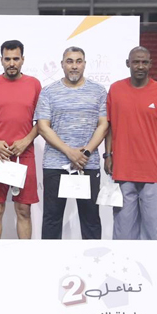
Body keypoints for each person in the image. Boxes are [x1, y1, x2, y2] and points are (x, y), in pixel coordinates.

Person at [104, 46, 157, 240]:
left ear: (150, 65)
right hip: (123, 170)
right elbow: (109, 126)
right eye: (136, 61)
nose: (140, 66)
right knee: (123, 230)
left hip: (152, 171)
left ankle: (156, 268)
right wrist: (108, 154)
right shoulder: (116, 89)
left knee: (154, 229)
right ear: (128, 64)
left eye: (144, 62)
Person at [35, 46, 108, 240]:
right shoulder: (48, 92)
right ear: (62, 65)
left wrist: (85, 153)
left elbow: (103, 125)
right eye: (69, 61)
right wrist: (69, 152)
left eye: (78, 61)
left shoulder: (99, 91)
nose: (74, 66)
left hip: (87, 165)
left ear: (84, 64)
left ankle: (92, 264)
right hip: (55, 165)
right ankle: (51, 264)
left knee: (91, 220)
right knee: (52, 220)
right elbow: (43, 127)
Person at [0, 39, 42, 240]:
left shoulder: (34, 84)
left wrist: (26, 141)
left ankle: (24, 257)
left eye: (16, 58)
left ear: (23, 59)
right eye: (7, 59)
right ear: (1, 60)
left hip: (24, 155)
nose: (12, 63)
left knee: (23, 209)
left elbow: (42, 120)